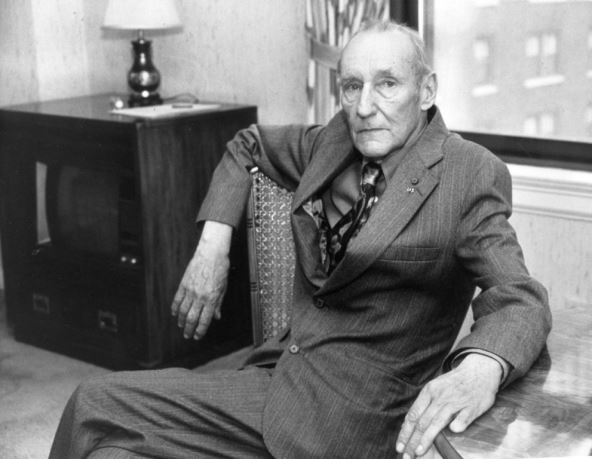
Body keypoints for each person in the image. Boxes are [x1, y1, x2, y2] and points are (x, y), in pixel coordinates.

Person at [49, 20, 551, 459]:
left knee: (94, 401)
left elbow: (520, 298)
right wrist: (213, 247)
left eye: (387, 84)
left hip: (354, 417)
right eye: (352, 86)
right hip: (278, 375)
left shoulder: (469, 173)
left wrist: (481, 368)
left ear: (426, 90)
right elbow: (247, 144)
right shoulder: (333, 141)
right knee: (113, 453)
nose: (365, 107)